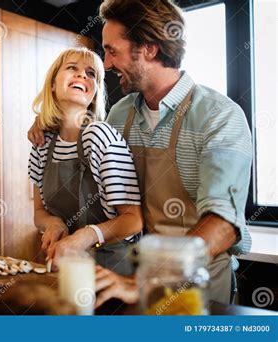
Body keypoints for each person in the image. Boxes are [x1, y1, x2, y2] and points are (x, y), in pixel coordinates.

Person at [28, 0, 252, 305]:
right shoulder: (119, 115)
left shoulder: (219, 117)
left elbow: (223, 224)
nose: (105, 65)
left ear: (148, 48)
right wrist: (44, 122)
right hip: (131, 277)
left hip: (198, 287)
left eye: (112, 51)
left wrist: (148, 278)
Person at [29, 47, 144, 275]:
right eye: (72, 68)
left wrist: (85, 236)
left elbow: (133, 220)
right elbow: (39, 212)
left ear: (95, 92)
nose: (82, 75)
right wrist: (53, 223)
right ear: (52, 83)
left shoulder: (99, 136)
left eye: (91, 74)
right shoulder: (42, 142)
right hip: (66, 264)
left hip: (114, 270)